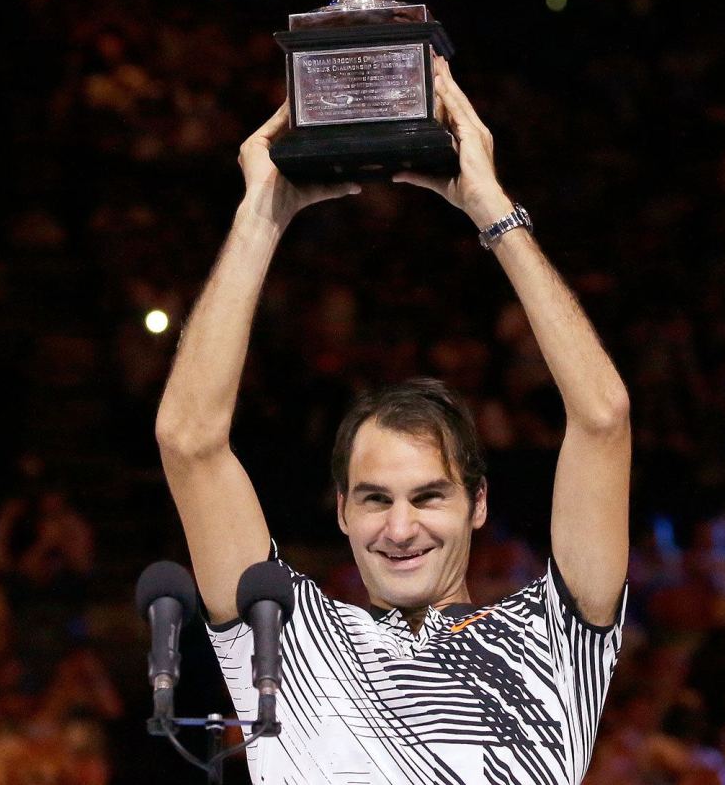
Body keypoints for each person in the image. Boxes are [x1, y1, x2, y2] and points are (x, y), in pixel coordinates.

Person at [156, 57, 631, 784]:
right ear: (342, 510)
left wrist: (490, 207)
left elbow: (602, 419)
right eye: (375, 497)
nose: (400, 527)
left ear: (477, 503)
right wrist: (263, 213)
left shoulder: (557, 639)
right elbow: (189, 442)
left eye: (428, 495)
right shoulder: (287, 637)